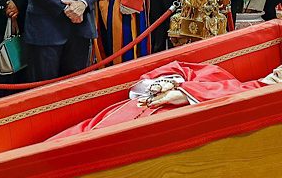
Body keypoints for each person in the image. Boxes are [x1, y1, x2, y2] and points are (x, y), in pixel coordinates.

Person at [50, 60, 279, 139]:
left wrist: (186, 95)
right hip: (147, 105)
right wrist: (172, 82)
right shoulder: (236, 82)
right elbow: (192, 71)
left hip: (172, 123)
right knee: (91, 128)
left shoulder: (260, 94)